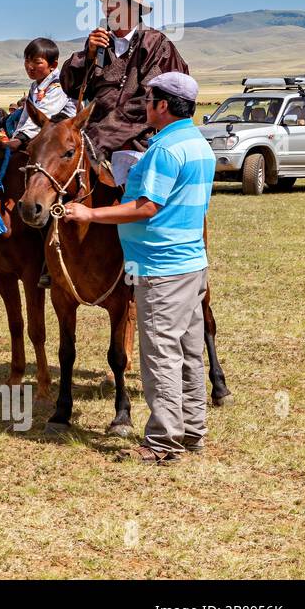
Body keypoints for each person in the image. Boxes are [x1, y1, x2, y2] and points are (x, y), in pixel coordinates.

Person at [61, 72, 213, 464]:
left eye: (149, 101)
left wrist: (90, 213)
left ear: (163, 106)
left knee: (160, 353)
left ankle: (163, 442)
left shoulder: (163, 150)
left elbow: (148, 207)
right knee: (189, 350)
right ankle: (192, 430)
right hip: (191, 263)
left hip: (161, 266)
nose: (145, 107)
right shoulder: (197, 144)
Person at [0, 37, 75, 264]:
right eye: (27, 61)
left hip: (55, 147)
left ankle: (48, 252)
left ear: (53, 64)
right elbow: (24, 119)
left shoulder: (57, 87)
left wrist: (16, 141)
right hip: (35, 143)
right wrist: (5, 136)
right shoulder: (36, 86)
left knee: (44, 189)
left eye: (36, 62)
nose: (30, 66)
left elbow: (41, 119)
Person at [60, 0, 188, 166]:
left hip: (141, 143)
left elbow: (150, 99)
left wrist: (102, 135)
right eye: (105, 3)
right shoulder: (99, 43)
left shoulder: (156, 44)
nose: (107, 9)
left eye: (115, 2)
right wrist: (88, 56)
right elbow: (71, 87)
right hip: (94, 142)